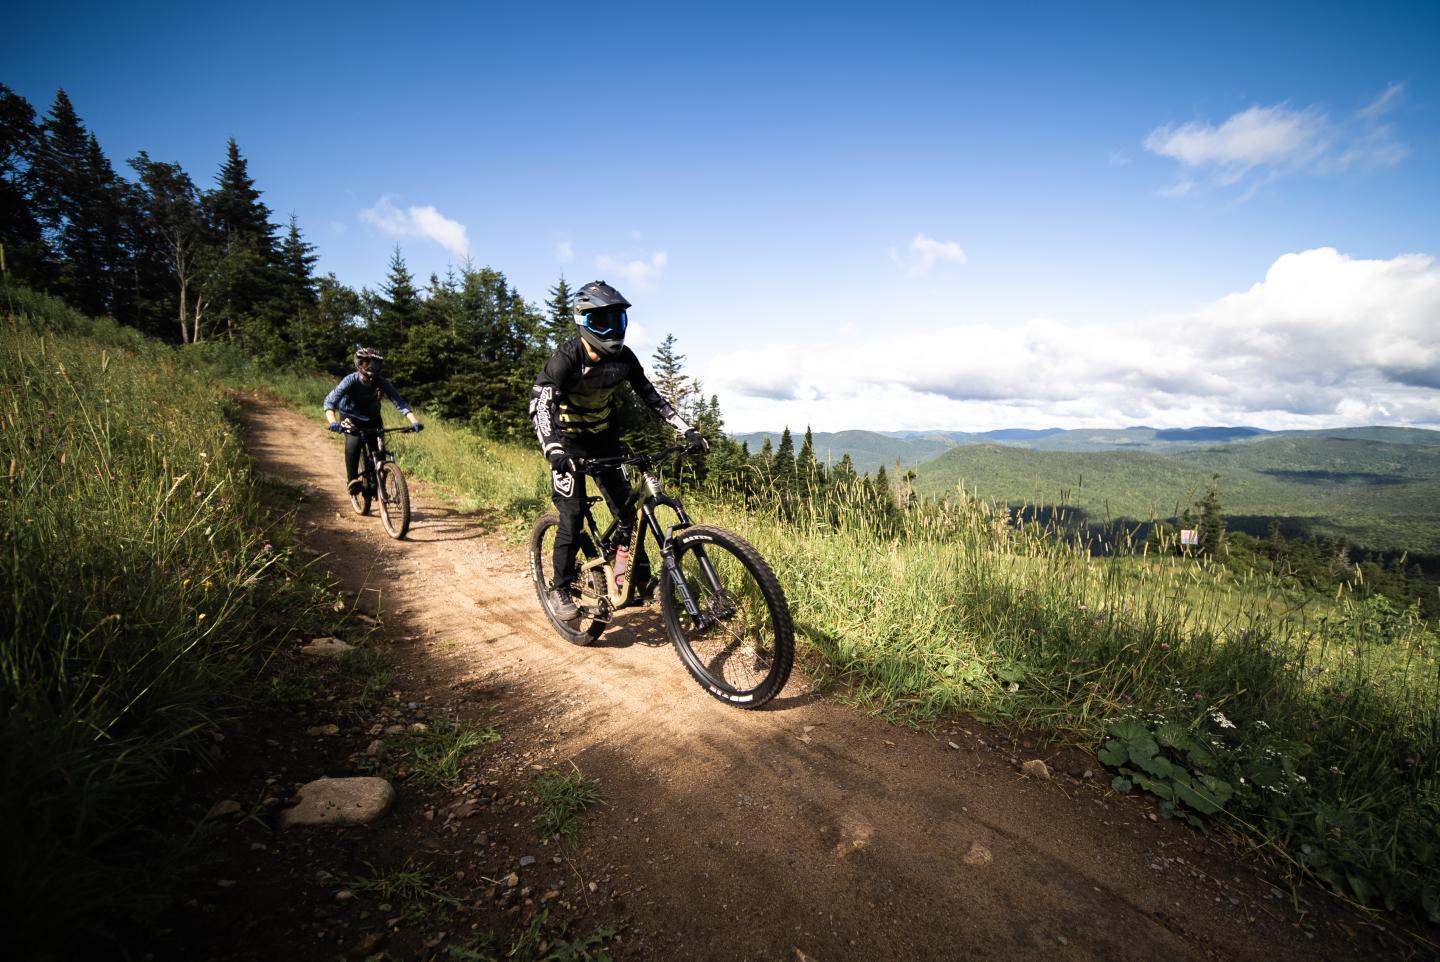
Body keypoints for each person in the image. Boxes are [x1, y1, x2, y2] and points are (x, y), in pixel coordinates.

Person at [530, 280, 707, 619]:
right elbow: (540, 405)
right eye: (602, 322)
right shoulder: (567, 359)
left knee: (629, 511)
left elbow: (651, 395)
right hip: (567, 445)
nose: (612, 330)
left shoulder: (624, 359)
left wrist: (687, 429)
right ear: (582, 322)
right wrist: (553, 448)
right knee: (573, 514)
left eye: (618, 320)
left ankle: (638, 579)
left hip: (605, 441)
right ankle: (561, 588)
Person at [323, 347, 423, 495]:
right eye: (366, 363)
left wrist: (414, 421)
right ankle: (352, 481)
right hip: (351, 417)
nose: (371, 367)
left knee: (379, 452)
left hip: (373, 417)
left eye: (375, 364)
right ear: (359, 363)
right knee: (354, 443)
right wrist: (333, 422)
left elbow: (399, 402)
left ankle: (375, 485)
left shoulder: (381, 382)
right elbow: (329, 402)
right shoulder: (350, 380)